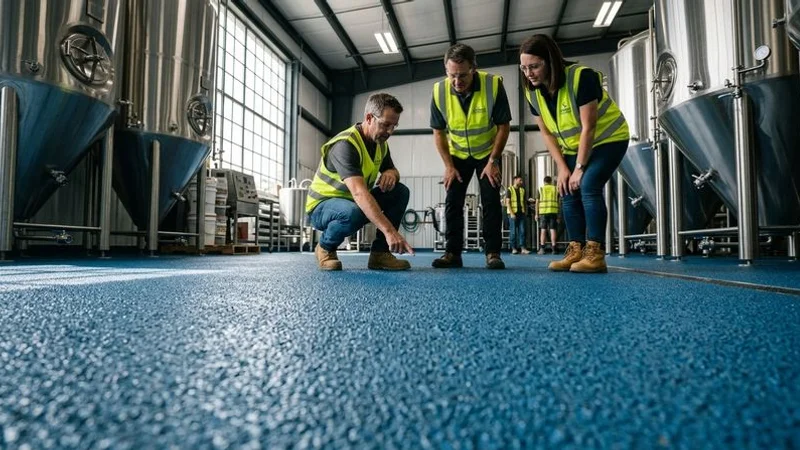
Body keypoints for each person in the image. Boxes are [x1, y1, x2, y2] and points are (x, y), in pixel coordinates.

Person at [519, 34, 629, 273]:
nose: (529, 73)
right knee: (566, 190)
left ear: (551, 61)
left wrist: (579, 168)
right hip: (571, 146)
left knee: (588, 185)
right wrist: (562, 168)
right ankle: (575, 249)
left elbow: (589, 127)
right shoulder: (532, 92)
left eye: (535, 66)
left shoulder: (581, 77)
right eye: (524, 68)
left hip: (608, 139)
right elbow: (547, 134)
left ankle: (595, 253)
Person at [305, 93, 414, 271]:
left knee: (400, 191)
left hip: (352, 204)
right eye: (386, 124)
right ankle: (325, 248)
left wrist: (391, 174)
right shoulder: (345, 145)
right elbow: (359, 193)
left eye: (394, 126)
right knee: (353, 212)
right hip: (321, 207)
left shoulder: (380, 144)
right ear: (369, 118)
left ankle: (380, 255)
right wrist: (390, 232)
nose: (390, 132)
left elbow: (392, 169)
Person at [430, 43, 512, 269]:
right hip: (457, 155)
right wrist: (448, 166)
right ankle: (452, 253)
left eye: (463, 75)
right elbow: (438, 132)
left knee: (491, 200)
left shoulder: (493, 85)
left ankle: (493, 253)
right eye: (452, 75)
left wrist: (493, 161)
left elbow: (503, 126)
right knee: (452, 201)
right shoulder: (439, 91)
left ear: (474, 68)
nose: (457, 82)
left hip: (487, 153)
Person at [505, 175, 530, 254]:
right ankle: (514, 248)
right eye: (520, 180)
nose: (521, 182)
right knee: (513, 232)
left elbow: (524, 201)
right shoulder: (509, 190)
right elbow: (507, 203)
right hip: (512, 214)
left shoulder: (522, 190)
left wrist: (529, 201)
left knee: (522, 231)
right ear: (515, 180)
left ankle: (523, 248)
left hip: (521, 213)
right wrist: (512, 213)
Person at [535, 176, 559, 254]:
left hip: (543, 212)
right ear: (551, 181)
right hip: (553, 211)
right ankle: (554, 249)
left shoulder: (541, 189)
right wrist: (558, 215)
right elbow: (558, 202)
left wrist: (536, 214)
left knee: (543, 230)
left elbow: (537, 203)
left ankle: (542, 249)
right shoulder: (555, 189)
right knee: (553, 230)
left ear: (544, 181)